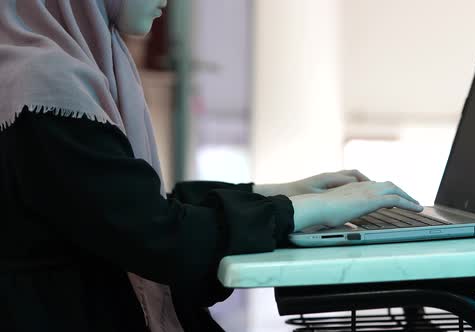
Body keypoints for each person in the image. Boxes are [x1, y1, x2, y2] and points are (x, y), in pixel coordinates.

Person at [0, 1, 423, 331]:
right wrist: (303, 211)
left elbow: (127, 206)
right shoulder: (46, 84)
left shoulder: (62, 63)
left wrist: (284, 191)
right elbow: (158, 237)